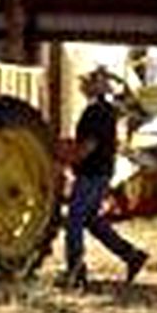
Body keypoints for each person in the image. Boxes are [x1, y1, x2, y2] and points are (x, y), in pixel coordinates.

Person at [64, 66, 148, 287]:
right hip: (102, 172)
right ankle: (132, 256)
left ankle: (76, 272)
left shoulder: (95, 112)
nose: (81, 86)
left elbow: (89, 145)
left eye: (85, 82)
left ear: (94, 86)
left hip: (91, 173)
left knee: (74, 221)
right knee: (91, 221)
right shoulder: (108, 109)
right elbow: (136, 107)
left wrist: (66, 161)